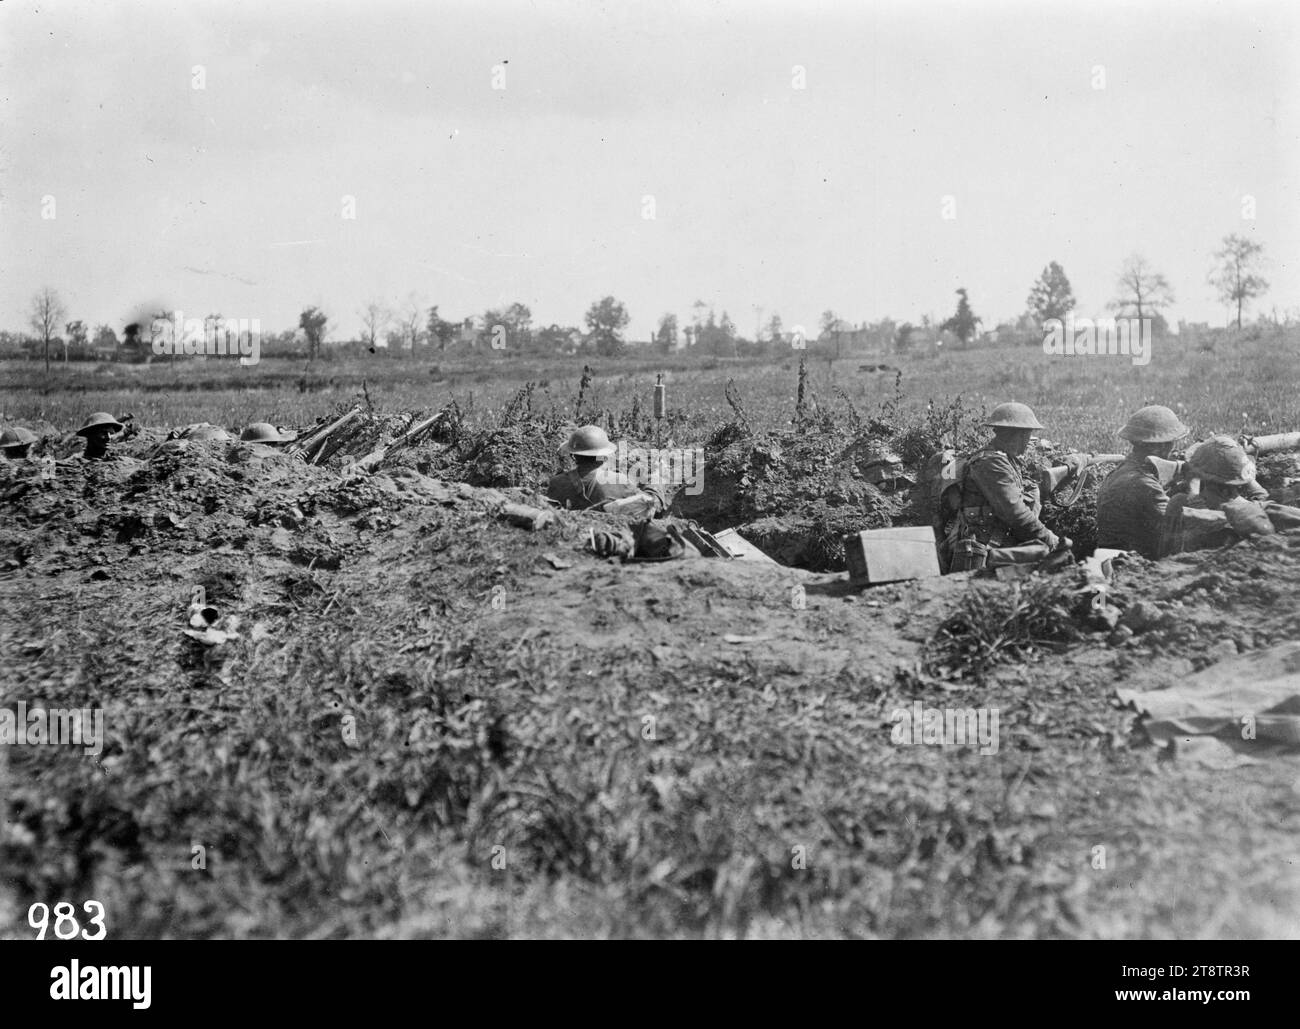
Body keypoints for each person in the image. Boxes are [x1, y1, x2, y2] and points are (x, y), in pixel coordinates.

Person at [948, 402, 1074, 570]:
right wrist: (1050, 539)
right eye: (1028, 434)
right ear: (1019, 434)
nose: (1028, 440)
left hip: (997, 548)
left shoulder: (1005, 460)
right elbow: (1016, 514)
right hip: (983, 554)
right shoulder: (991, 463)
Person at [1166, 434, 1300, 550]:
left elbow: (1197, 513)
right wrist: (1242, 470)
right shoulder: (1265, 512)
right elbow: (1261, 499)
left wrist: (1193, 486)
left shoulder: (1188, 510)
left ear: (1221, 490)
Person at [1096, 405, 1190, 558]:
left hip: (1116, 555)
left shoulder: (1123, 470)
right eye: (1171, 443)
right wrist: (1193, 487)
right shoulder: (1144, 484)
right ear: (1161, 447)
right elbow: (1179, 529)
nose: (1173, 449)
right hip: (1131, 562)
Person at [546, 425, 666, 514]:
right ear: (604, 455)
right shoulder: (619, 481)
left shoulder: (555, 482)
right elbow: (651, 504)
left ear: (574, 456)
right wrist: (655, 478)